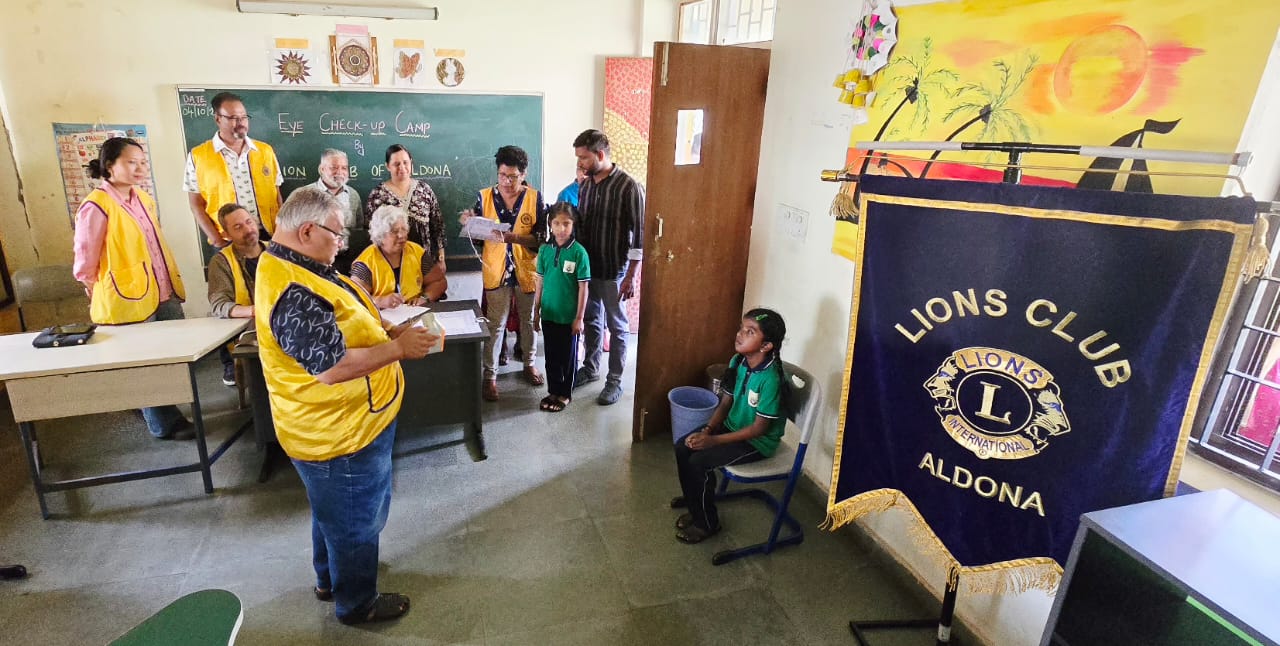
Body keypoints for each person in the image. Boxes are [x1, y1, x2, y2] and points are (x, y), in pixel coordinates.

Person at [254, 189, 436, 625]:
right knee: (355, 521)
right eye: (337, 234)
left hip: (346, 422)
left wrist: (386, 324)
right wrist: (399, 348)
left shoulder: (302, 263)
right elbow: (332, 368)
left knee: (331, 512)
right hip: (340, 433)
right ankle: (357, 603)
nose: (343, 243)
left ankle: (329, 579)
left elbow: (347, 314)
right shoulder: (292, 289)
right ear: (307, 230)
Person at [72, 137, 191, 439]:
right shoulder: (96, 206)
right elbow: (85, 260)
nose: (139, 168)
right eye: (130, 162)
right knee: (146, 364)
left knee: (171, 357)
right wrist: (94, 288)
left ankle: (162, 411)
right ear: (109, 166)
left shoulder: (143, 198)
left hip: (162, 289)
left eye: (142, 162)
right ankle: (163, 424)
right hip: (127, 296)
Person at [671, 308, 790, 544]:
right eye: (741, 328)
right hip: (731, 426)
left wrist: (713, 441)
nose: (740, 334)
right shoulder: (738, 361)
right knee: (682, 446)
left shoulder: (771, 379)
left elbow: (759, 429)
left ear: (766, 346)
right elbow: (726, 402)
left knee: (699, 462)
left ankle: (707, 522)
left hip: (756, 441)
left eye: (750, 332)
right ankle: (696, 505)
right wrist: (707, 430)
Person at [460, 145, 546, 401]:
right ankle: (490, 376)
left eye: (513, 177)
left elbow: (540, 239)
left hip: (526, 270)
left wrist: (514, 238)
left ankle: (529, 363)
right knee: (495, 326)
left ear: (524, 174)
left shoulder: (535, 198)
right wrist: (469, 223)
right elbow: (477, 240)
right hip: (495, 270)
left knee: (528, 321)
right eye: (502, 176)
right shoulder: (483, 197)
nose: (507, 182)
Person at [572, 129, 645, 406]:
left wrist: (631, 276)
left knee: (617, 326)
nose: (580, 163)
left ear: (600, 155)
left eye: (584, 158)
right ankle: (590, 369)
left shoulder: (629, 187)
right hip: (588, 271)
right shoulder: (586, 184)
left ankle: (614, 381)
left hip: (615, 271)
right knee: (591, 320)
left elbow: (639, 235)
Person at [184, 92, 283, 249]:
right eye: (233, 118)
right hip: (227, 239)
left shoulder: (265, 151)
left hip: (268, 235)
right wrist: (216, 239)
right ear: (218, 119)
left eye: (244, 117)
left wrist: (280, 232)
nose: (241, 122)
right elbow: (196, 204)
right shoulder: (198, 156)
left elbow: (276, 194)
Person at [532, 203, 590, 412]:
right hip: (549, 313)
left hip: (569, 317)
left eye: (566, 224)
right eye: (556, 223)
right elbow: (540, 282)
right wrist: (536, 310)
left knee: (567, 358)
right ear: (550, 224)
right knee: (551, 356)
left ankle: (565, 394)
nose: (561, 229)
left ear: (574, 225)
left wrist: (579, 317)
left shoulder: (579, 253)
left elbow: (584, 288)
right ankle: (553, 390)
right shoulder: (545, 250)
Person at [365, 144, 446, 290]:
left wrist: (441, 258)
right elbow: (371, 233)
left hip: (424, 264)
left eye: (405, 162)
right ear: (387, 166)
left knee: (425, 302)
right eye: (396, 164)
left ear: (411, 163)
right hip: (390, 266)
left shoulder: (424, 190)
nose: (402, 167)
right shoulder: (377, 195)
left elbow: (438, 226)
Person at [206, 203, 266, 387]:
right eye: (238, 227)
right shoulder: (221, 261)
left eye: (249, 222)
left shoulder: (277, 251)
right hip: (248, 332)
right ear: (226, 234)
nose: (248, 229)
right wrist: (255, 311)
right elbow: (219, 304)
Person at [350, 205, 445, 309]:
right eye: (394, 231)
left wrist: (425, 298)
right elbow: (354, 298)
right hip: (381, 319)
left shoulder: (417, 252)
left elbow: (439, 282)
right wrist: (379, 301)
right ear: (380, 235)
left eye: (403, 229)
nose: (401, 235)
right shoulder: (366, 262)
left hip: (415, 313)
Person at [307, 149, 366, 274]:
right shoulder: (306, 195)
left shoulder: (353, 195)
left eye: (344, 168)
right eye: (334, 167)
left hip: (348, 261)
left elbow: (359, 228)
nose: (340, 172)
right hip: (315, 261)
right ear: (321, 169)